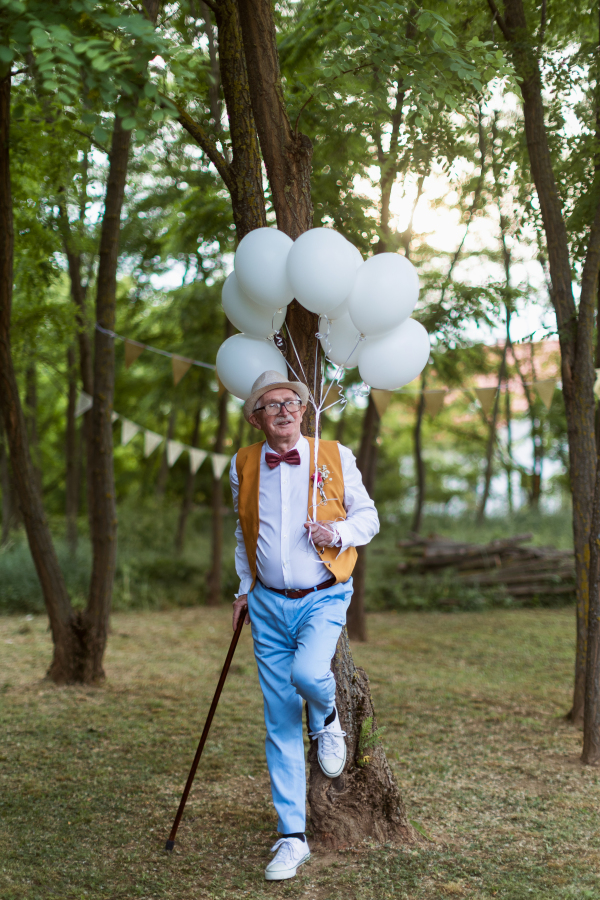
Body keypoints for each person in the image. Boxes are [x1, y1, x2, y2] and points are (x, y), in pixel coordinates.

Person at [230, 369, 379, 881]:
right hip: (267, 604)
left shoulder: (335, 455)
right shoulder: (243, 464)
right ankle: (292, 837)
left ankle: (328, 717)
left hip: (324, 596)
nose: (284, 410)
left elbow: (369, 519)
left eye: (291, 401)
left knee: (310, 674)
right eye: (271, 404)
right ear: (256, 418)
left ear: (303, 410)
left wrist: (335, 531)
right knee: (276, 721)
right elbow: (242, 530)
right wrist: (244, 588)